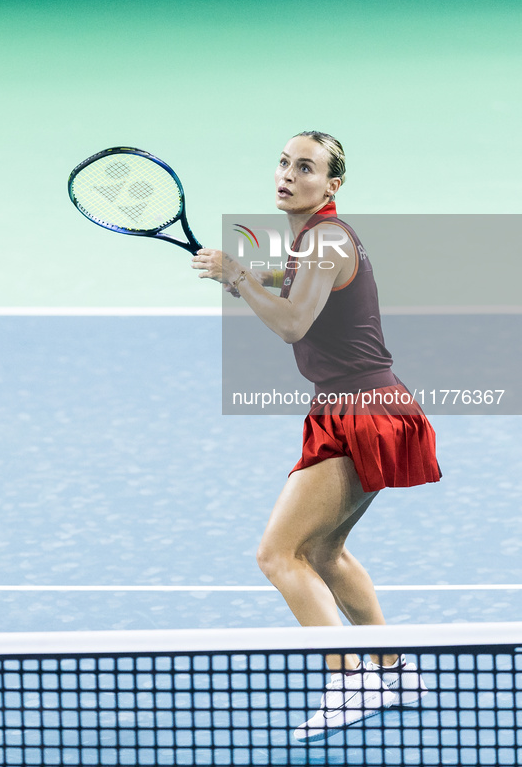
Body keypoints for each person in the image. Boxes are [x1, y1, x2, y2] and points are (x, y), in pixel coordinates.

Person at [191, 131, 441, 740]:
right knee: (323, 551)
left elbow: (293, 323)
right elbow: (303, 297)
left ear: (332, 185)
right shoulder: (315, 239)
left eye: (305, 167)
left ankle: (352, 682)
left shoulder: (326, 239)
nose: (286, 174)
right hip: (357, 408)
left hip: (363, 413)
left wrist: (235, 276)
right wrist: (250, 276)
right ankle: (394, 669)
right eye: (282, 162)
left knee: (278, 555)